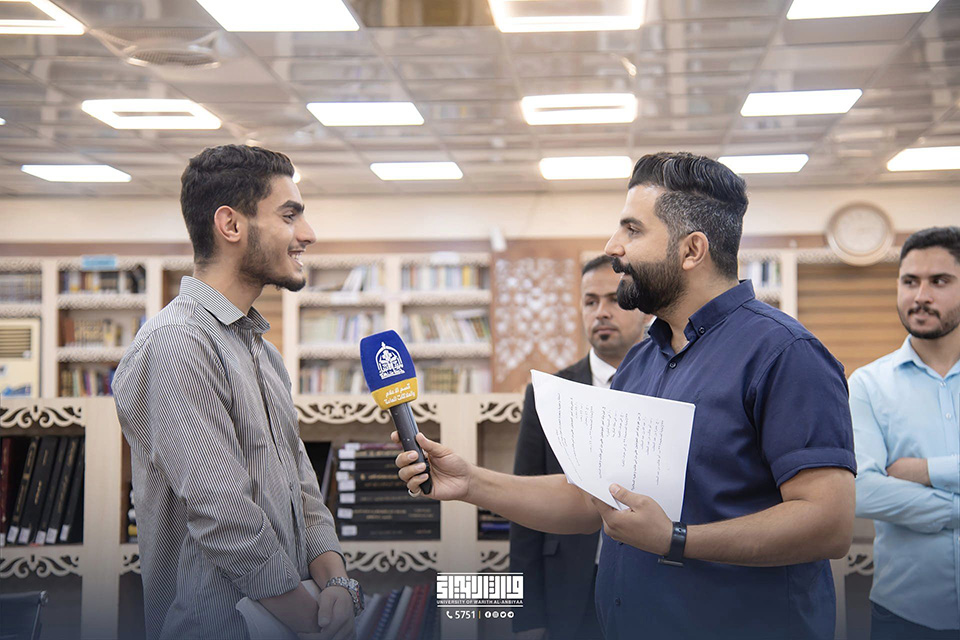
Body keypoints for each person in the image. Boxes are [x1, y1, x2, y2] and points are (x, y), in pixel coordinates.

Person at [395, 152, 856, 640]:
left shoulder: (786, 354)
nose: (613, 247)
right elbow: (591, 498)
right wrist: (470, 482)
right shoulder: (642, 361)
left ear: (692, 250)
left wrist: (676, 539)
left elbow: (827, 523)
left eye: (633, 230)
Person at [114, 145, 360, 640]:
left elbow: (304, 490)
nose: (307, 234)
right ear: (231, 225)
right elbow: (223, 515)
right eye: (289, 216)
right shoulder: (176, 343)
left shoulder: (263, 354)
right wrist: (313, 622)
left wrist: (336, 583)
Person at [511, 255, 649, 640]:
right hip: (569, 587)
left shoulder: (669, 386)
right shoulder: (547, 394)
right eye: (590, 301)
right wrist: (527, 618)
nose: (601, 312)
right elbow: (524, 509)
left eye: (615, 300)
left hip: (649, 582)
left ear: (644, 310)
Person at [849, 226, 960, 639]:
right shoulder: (868, 385)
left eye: (940, 281)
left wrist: (925, 471)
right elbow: (861, 490)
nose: (921, 296)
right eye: (910, 281)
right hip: (904, 614)